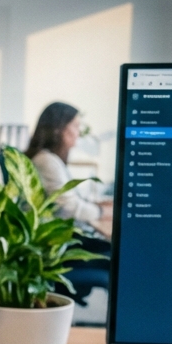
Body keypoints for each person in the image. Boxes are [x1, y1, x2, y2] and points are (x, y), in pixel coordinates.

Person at [25, 102, 114, 241]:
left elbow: (68, 199)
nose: (79, 133)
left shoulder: (50, 159)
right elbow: (69, 208)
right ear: (58, 129)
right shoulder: (46, 161)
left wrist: (96, 205)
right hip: (54, 241)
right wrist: (103, 212)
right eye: (76, 126)